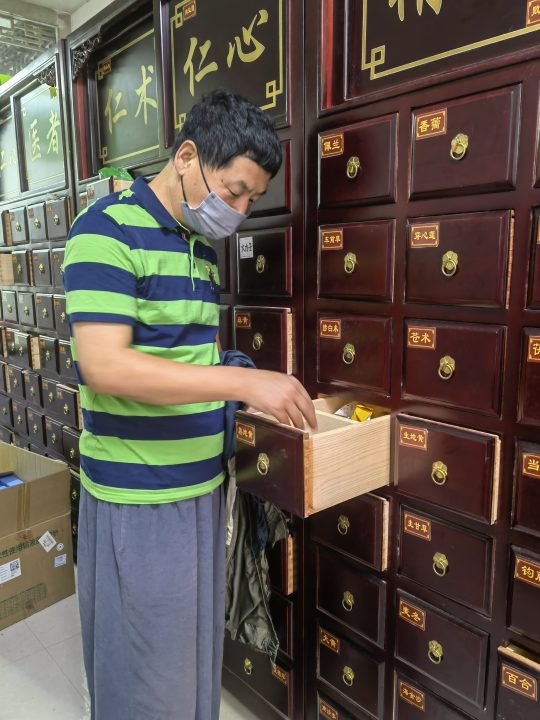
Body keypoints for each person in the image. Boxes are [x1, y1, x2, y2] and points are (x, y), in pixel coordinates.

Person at [63, 89, 315, 720]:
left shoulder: (197, 246)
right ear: (186, 157)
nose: (240, 211)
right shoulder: (104, 230)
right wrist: (243, 386)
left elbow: (182, 358)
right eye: (234, 191)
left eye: (252, 200)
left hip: (201, 491)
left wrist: (236, 376)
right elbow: (105, 365)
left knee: (192, 668)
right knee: (145, 681)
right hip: (139, 498)